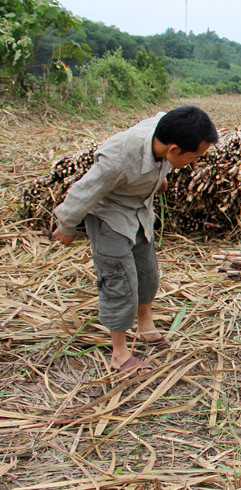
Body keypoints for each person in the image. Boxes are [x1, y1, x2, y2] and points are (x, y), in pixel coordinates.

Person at [52, 106, 218, 377]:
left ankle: (145, 326)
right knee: (120, 282)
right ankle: (119, 353)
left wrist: (159, 178)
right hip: (110, 215)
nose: (196, 162)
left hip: (140, 212)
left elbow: (163, 118)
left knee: (147, 273)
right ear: (174, 150)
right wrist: (66, 226)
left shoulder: (163, 129)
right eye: (194, 157)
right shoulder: (118, 156)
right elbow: (83, 191)